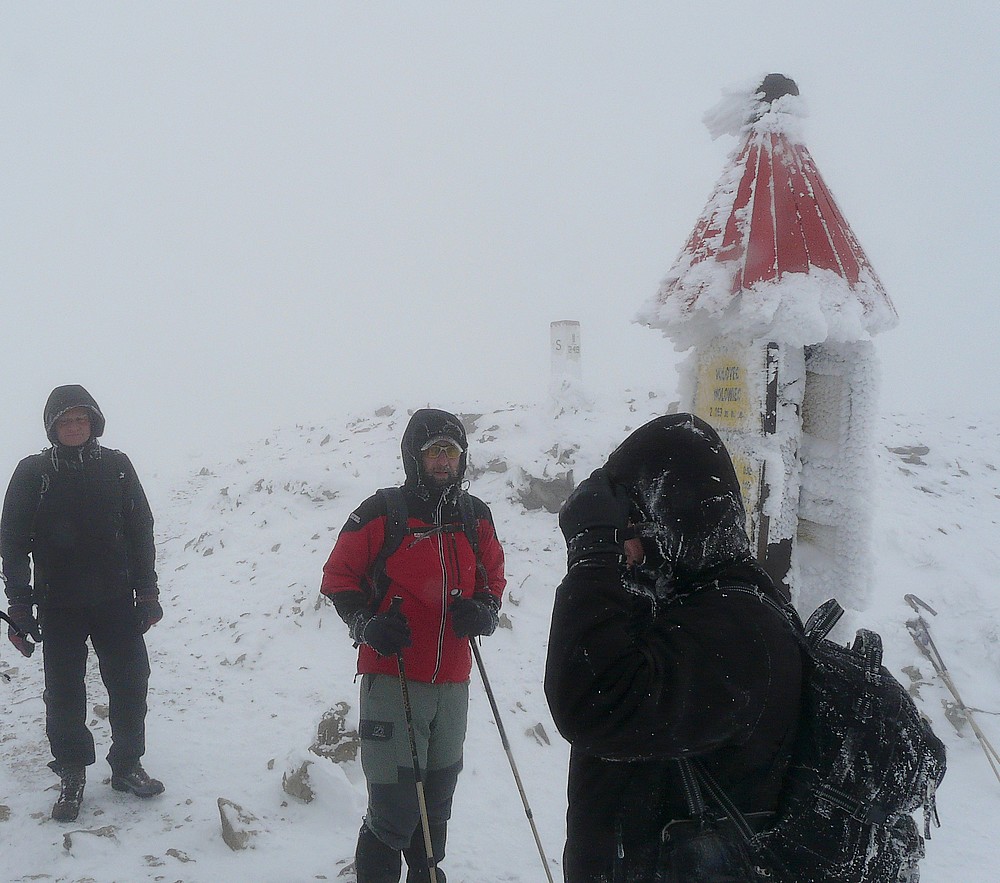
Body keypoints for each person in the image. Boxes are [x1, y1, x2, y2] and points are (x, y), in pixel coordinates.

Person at [544, 413, 803, 882]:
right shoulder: (697, 609)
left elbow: (592, 705)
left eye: (634, 526)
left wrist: (591, 560)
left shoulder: (736, 632)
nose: (629, 550)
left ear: (672, 519)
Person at [321, 408, 506, 883]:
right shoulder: (383, 512)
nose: (443, 460)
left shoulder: (474, 517)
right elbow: (338, 577)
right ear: (414, 457)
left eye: (452, 451)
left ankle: (427, 875)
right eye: (433, 451)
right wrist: (366, 624)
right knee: (395, 806)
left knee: (436, 802)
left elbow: (493, 578)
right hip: (392, 675)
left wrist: (485, 611)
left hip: (452, 684)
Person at [1, 385, 164, 822]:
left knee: (131, 683)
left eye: (81, 419)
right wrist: (19, 606)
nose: (74, 427)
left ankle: (127, 764)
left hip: (116, 601)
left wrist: (147, 591)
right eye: (65, 421)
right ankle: (72, 771)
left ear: (94, 423)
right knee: (65, 692)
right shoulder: (34, 472)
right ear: (53, 427)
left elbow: (140, 529)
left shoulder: (116, 467)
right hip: (59, 605)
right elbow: (12, 542)